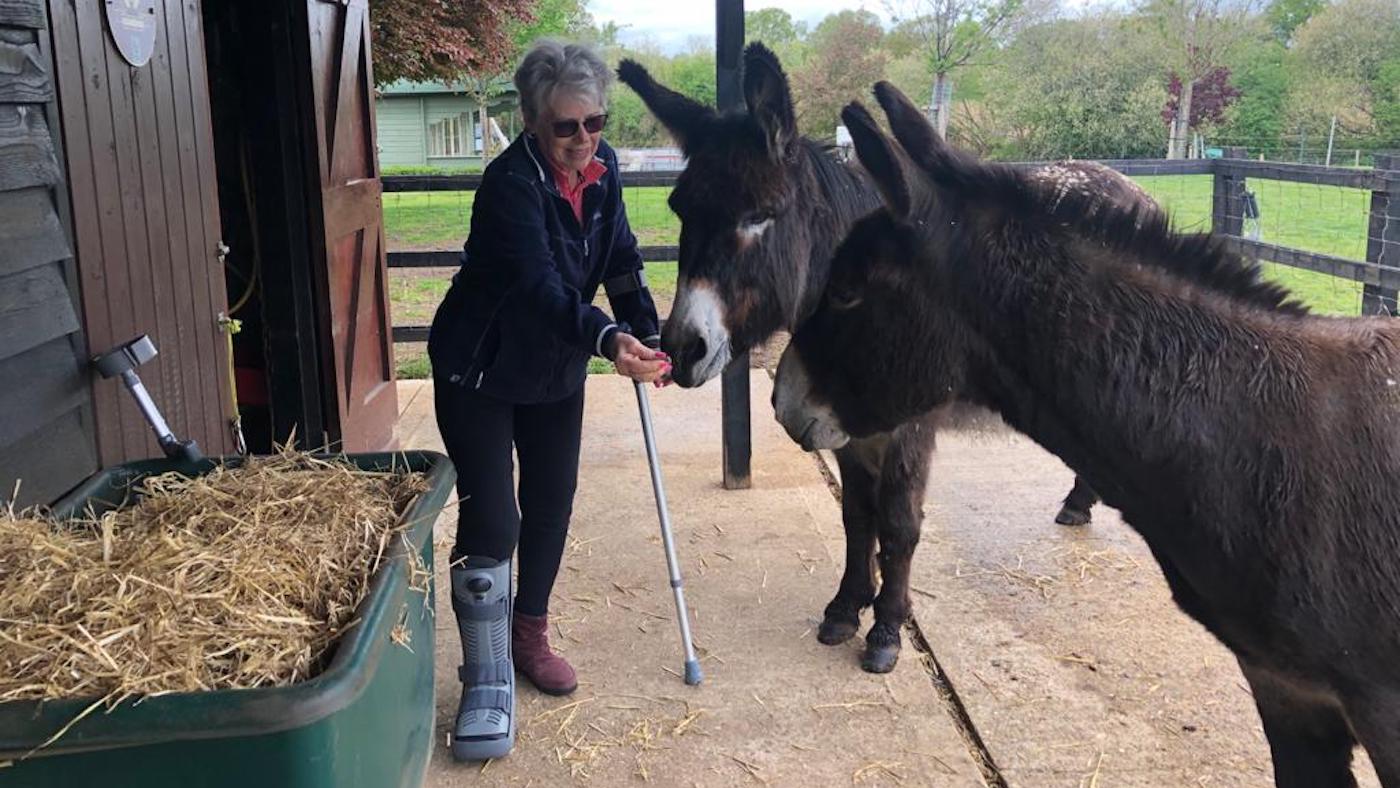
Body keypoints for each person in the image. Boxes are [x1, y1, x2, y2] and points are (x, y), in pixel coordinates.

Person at [427, 39, 669, 762]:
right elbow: (538, 286)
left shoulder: (606, 168)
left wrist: (647, 332)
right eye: (565, 127)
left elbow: (619, 255)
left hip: (556, 366)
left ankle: (528, 634)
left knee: (553, 500)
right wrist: (608, 340)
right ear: (534, 122)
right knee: (494, 515)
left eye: (593, 123)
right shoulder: (508, 185)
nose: (582, 139)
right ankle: (486, 672)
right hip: (482, 364)